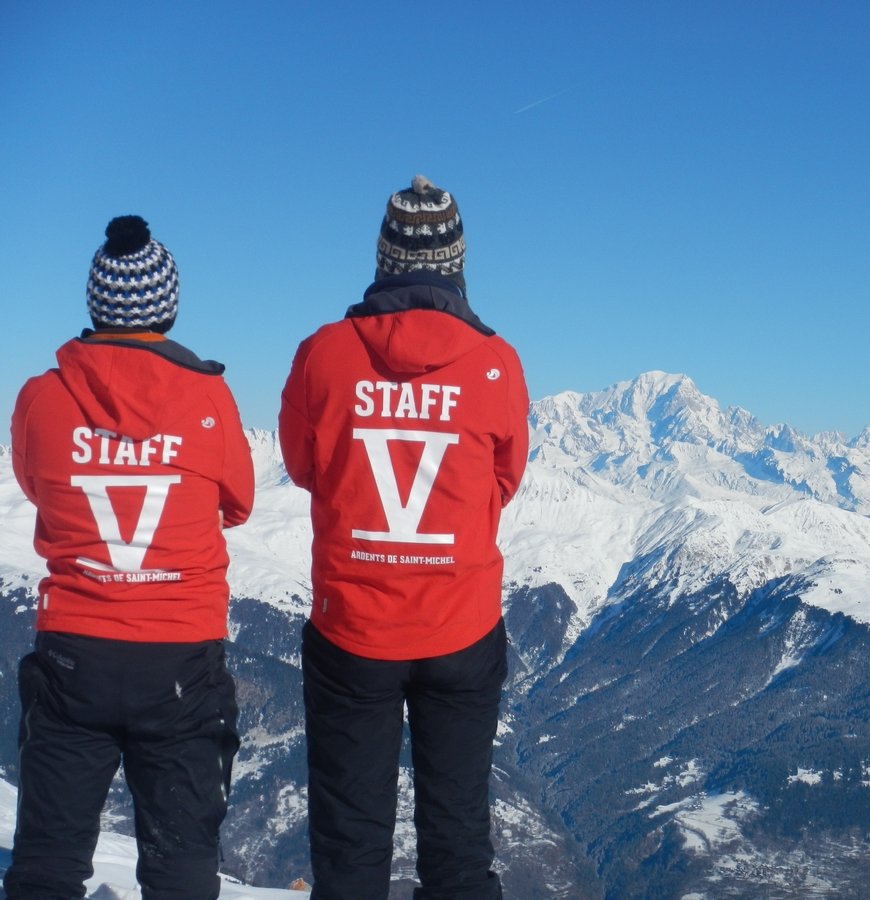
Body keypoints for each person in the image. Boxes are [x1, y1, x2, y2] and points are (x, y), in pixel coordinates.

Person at [279, 175, 529, 899]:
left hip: (353, 631)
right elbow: (504, 480)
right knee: (457, 839)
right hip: (462, 626)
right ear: (456, 263)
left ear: (386, 258)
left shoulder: (324, 353)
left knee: (350, 841)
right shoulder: (495, 362)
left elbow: (303, 466)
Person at [5, 216, 254, 899]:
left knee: (48, 861)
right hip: (180, 661)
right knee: (181, 866)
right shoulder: (210, 398)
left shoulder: (40, 397)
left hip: (73, 656)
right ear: (167, 307)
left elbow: (35, 484)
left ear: (96, 305)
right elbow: (238, 502)